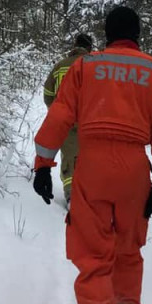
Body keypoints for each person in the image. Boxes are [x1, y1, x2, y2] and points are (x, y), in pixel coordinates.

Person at [33, 6, 152, 304]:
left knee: (94, 254)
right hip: (134, 168)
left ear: (107, 34)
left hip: (92, 166)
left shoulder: (86, 67)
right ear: (138, 35)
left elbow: (60, 115)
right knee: (129, 250)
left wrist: (43, 164)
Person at [42, 33, 93, 206]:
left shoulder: (60, 66)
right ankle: (90, 193)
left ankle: (71, 195)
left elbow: (48, 94)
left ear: (74, 45)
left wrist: (56, 112)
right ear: (90, 48)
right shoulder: (98, 65)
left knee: (70, 158)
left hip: (67, 121)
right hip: (91, 121)